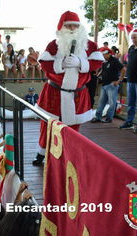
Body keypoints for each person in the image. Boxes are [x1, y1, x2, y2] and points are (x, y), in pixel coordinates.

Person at [33, 11, 104, 165]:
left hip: (77, 95)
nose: (72, 29)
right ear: (62, 27)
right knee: (48, 125)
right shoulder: (53, 45)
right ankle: (41, 154)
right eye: (68, 26)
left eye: (75, 26)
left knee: (73, 128)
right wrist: (60, 64)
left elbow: (98, 63)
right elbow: (44, 64)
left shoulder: (90, 45)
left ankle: (68, 154)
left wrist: (81, 63)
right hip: (54, 93)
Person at [91, 47, 126, 123]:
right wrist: (98, 75)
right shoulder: (104, 62)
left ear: (107, 54)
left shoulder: (114, 60)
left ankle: (109, 117)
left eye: (103, 55)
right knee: (101, 101)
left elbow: (123, 69)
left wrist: (119, 80)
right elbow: (104, 70)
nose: (102, 56)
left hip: (112, 84)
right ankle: (98, 116)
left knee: (112, 102)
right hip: (105, 84)